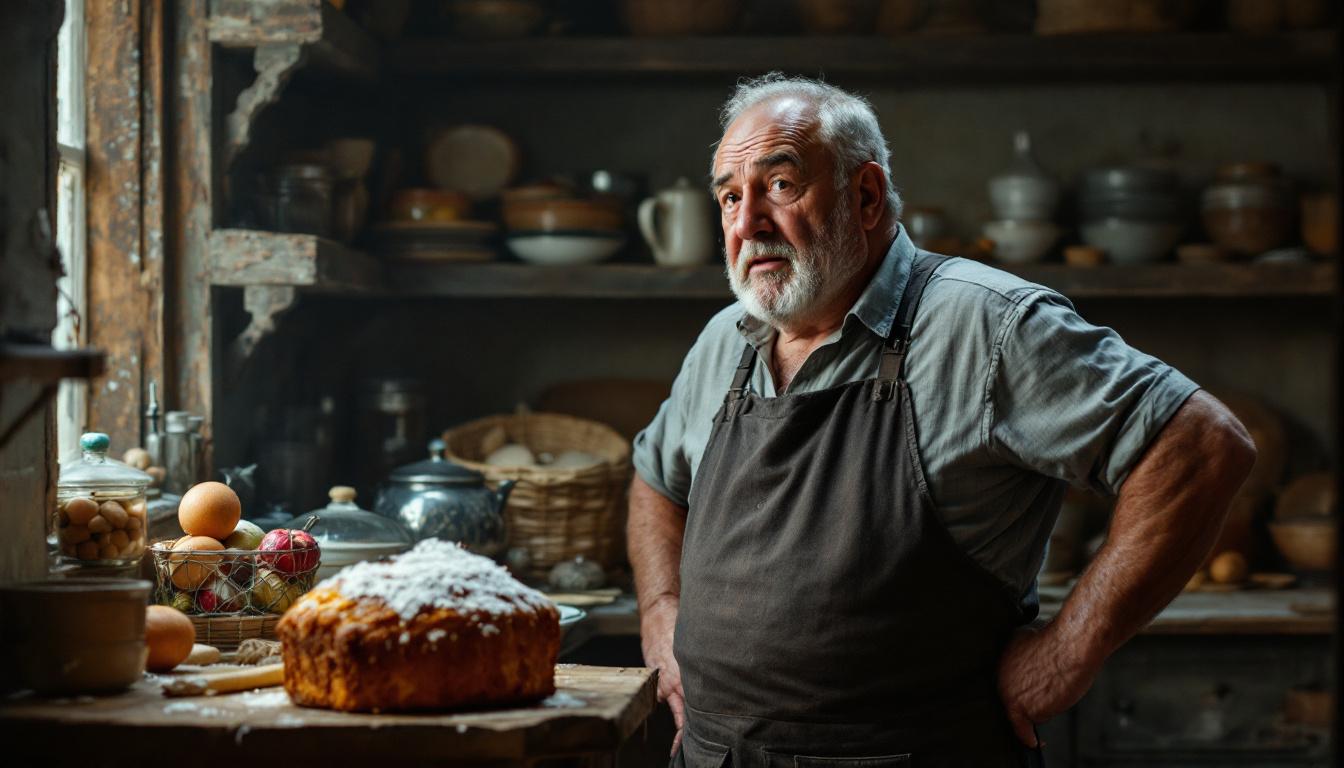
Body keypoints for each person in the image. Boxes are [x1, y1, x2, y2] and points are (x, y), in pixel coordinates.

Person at [627, 73, 1256, 767]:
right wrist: (661, 616)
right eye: (729, 197)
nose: (748, 224)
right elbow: (655, 478)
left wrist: (1069, 653)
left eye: (779, 185)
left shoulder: (985, 325)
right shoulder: (728, 339)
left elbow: (1201, 444)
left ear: (865, 196)